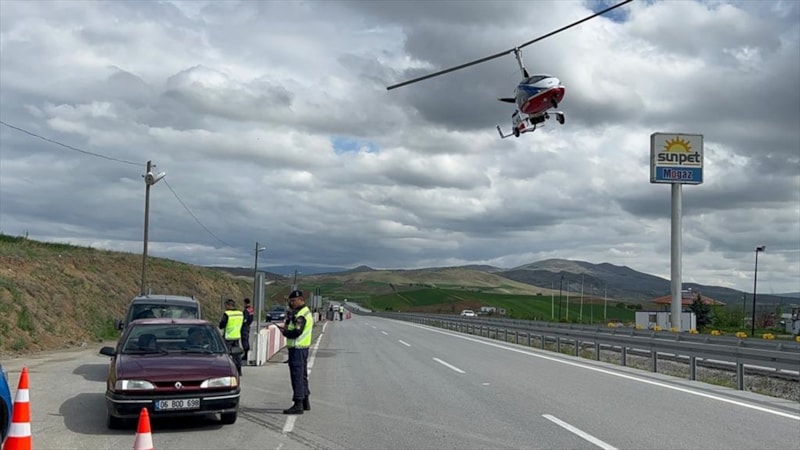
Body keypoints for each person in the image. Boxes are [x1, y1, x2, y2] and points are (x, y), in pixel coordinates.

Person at [277, 290, 313, 414]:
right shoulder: (302, 312)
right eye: (290, 301)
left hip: (297, 348)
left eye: (293, 301)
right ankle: (305, 401)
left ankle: (298, 403)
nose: (291, 303)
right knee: (302, 375)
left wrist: (285, 333)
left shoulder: (301, 315)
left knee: (297, 376)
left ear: (301, 300)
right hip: (302, 348)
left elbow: (297, 332)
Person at [219, 299, 244, 376]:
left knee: (226, 354)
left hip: (228, 337)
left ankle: (226, 370)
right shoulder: (240, 313)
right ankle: (239, 370)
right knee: (237, 355)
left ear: (229, 305)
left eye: (226, 305)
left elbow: (221, 325)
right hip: (236, 336)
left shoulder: (227, 314)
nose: (225, 307)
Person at [241, 298, 254, 362]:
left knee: (244, 341)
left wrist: (242, 323)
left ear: (245, 302)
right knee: (246, 340)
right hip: (248, 326)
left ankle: (246, 355)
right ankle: (247, 354)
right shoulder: (251, 309)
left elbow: (245, 319)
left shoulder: (246, 310)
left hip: (245, 327)